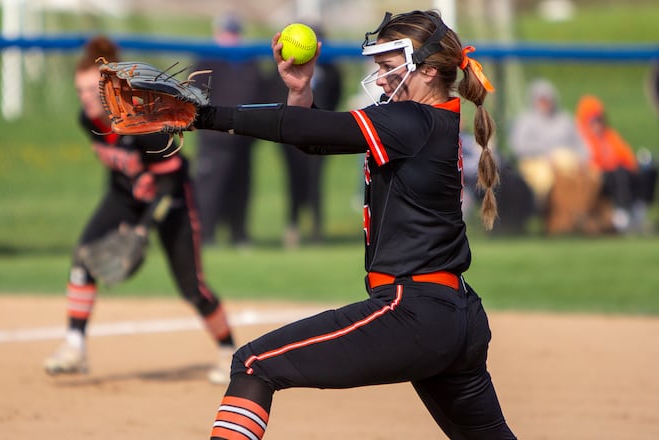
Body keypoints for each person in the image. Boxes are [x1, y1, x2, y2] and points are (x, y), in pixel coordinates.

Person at [192, 10, 516, 439]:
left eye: (388, 67)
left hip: (413, 309)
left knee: (253, 364)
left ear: (430, 71)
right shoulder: (426, 121)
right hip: (456, 314)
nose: (380, 79)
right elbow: (312, 135)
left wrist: (200, 114)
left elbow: (300, 130)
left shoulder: (413, 121)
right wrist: (301, 91)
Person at [43, 36, 236, 384]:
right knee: (83, 255)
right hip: (125, 196)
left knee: (193, 288)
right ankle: (74, 345)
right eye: (80, 92)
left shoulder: (142, 123)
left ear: (109, 90)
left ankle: (228, 351)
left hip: (172, 200)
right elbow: (119, 168)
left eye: (91, 91)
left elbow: (171, 180)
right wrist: (127, 218)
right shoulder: (86, 121)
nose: (85, 99)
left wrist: (143, 229)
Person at [193, 12, 264, 247]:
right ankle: (205, 235)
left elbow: (259, 94)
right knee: (209, 189)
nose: (230, 38)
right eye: (226, 33)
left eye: (233, 33)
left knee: (240, 189)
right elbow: (195, 97)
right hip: (214, 140)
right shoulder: (207, 61)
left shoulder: (248, 61)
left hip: (242, 138)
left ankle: (238, 234)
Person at [271, 24, 344, 248]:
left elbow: (335, 97)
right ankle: (292, 225)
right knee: (294, 179)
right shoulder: (284, 70)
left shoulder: (331, 71)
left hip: (320, 134)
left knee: (315, 180)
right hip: (290, 134)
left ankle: (316, 227)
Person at [509, 78, 599, 234]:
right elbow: (518, 146)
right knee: (547, 179)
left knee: (593, 175)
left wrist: (581, 159)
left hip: (569, 162)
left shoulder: (564, 120)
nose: (545, 103)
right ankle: (550, 216)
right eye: (541, 99)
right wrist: (544, 154)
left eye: (547, 99)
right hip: (536, 162)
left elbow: (582, 144)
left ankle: (578, 215)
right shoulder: (526, 120)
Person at [576, 94, 657, 233]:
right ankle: (623, 216)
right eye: (593, 120)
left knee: (649, 170)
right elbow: (590, 162)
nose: (597, 123)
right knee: (619, 174)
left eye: (599, 119)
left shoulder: (610, 135)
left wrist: (635, 165)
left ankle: (640, 210)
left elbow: (626, 155)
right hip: (602, 176)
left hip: (622, 171)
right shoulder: (582, 138)